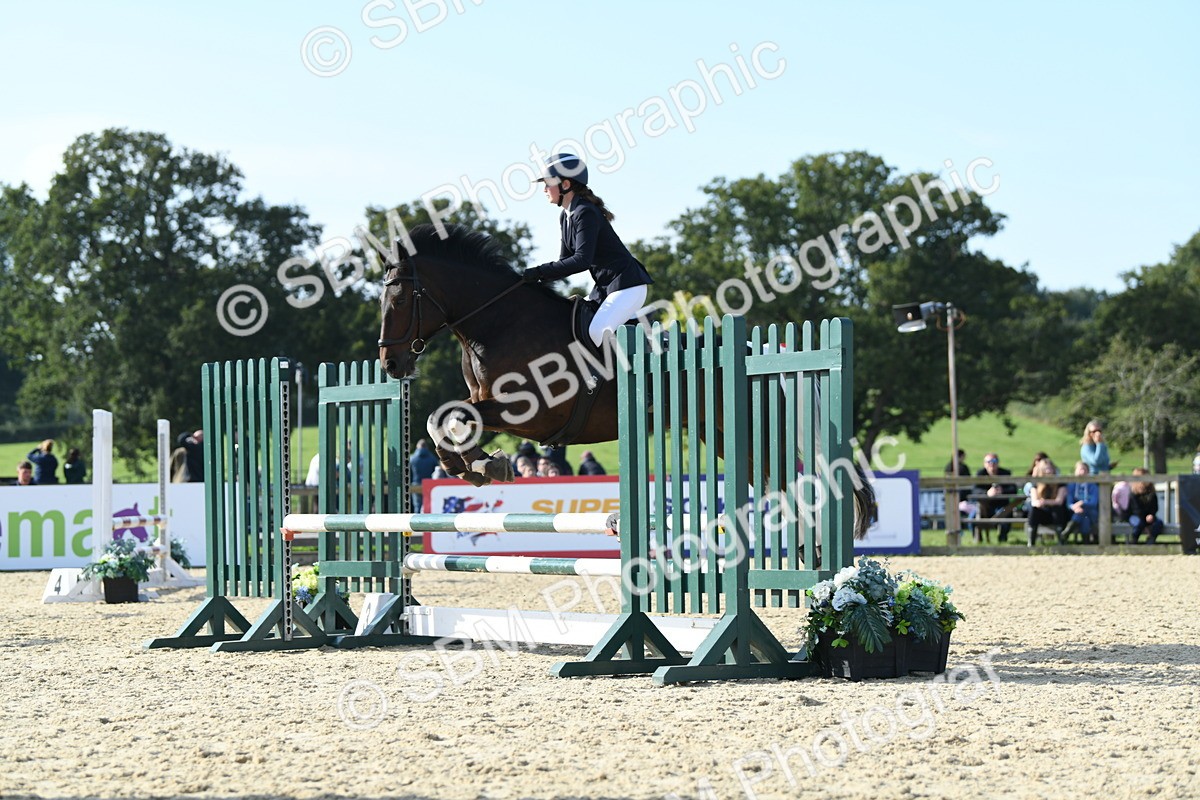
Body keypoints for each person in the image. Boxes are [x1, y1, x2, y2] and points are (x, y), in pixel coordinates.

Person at [523, 153, 654, 347]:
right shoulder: (566, 216)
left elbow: (581, 260)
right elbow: (564, 262)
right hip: (605, 289)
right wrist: (534, 282)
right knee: (571, 322)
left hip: (628, 285)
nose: (544, 189)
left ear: (565, 185)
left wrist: (540, 272)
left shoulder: (585, 212)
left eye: (548, 183)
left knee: (596, 331)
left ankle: (606, 377)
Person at [974, 453, 1018, 542]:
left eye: (994, 461)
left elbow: (1013, 488)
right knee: (973, 516)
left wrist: (1002, 491)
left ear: (998, 463)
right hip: (985, 506)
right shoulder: (980, 474)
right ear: (984, 463)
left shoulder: (1005, 473)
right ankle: (978, 540)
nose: (992, 464)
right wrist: (987, 493)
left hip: (1002, 505)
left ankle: (1002, 539)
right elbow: (975, 490)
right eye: (989, 461)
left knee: (1007, 513)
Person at [1026, 459, 1068, 546]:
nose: (1048, 471)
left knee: (1057, 509)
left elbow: (1059, 501)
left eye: (1050, 469)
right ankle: (1031, 542)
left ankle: (1061, 541)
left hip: (1055, 515)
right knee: (1034, 510)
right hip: (1042, 514)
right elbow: (1034, 502)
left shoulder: (1060, 483)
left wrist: (1045, 502)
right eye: (1045, 469)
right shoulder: (1036, 484)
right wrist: (1040, 503)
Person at [1064, 460, 1100, 544]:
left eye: (1085, 470)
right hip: (1075, 512)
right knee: (1084, 518)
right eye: (1080, 469)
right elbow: (1069, 503)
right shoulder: (1071, 485)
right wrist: (1074, 507)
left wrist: (1082, 503)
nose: (1082, 472)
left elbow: (1093, 503)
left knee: (1083, 513)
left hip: (1091, 512)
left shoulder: (1093, 486)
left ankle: (1066, 533)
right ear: (1075, 471)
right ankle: (1086, 543)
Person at [1127, 467, 1164, 544]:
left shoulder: (1151, 493)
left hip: (1149, 517)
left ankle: (1151, 539)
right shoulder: (1133, 494)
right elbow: (1136, 510)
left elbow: (1155, 507)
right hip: (1136, 516)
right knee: (1139, 523)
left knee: (1159, 523)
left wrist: (1151, 515)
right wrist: (1145, 519)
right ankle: (1133, 540)